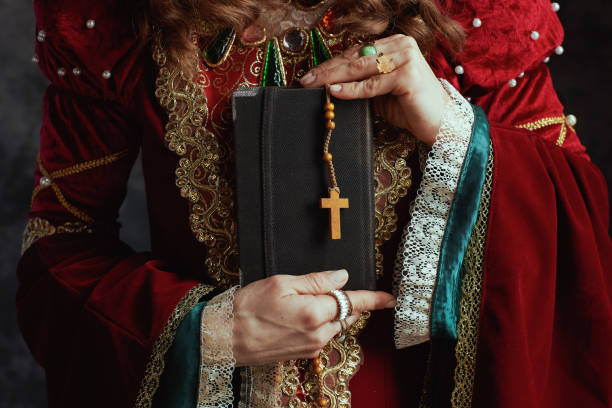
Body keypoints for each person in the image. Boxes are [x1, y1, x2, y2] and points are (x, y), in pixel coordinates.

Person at [17, 0, 612, 407]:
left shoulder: (475, 15)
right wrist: (208, 332)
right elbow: (58, 244)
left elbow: (576, 219)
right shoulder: (117, 21)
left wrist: (454, 129)